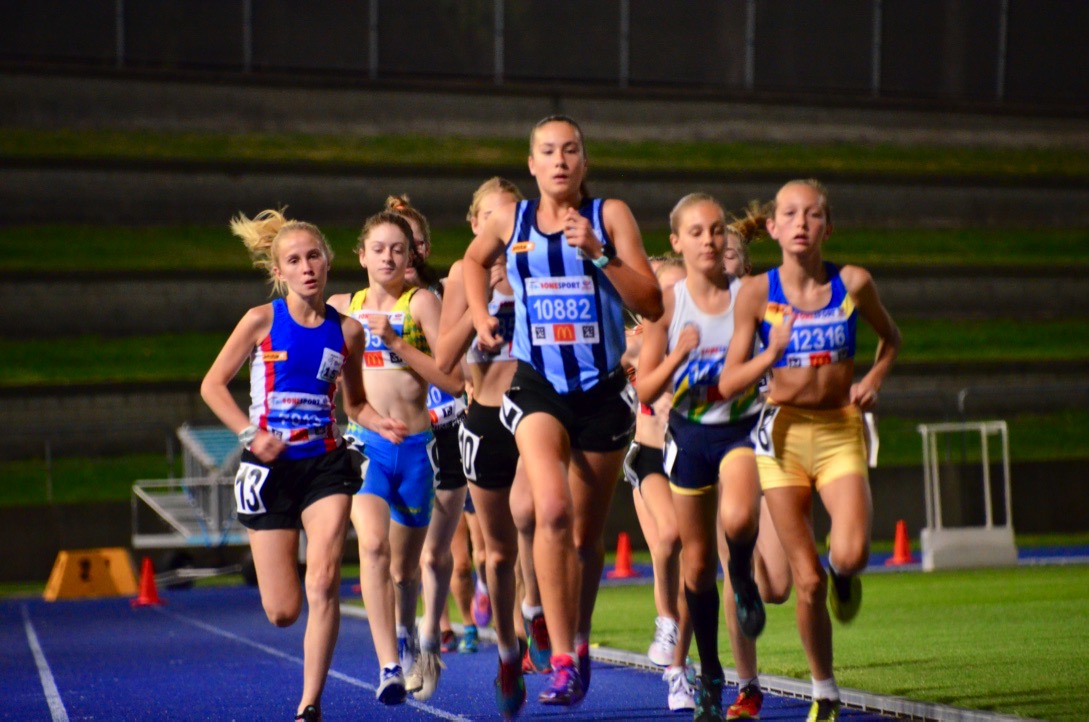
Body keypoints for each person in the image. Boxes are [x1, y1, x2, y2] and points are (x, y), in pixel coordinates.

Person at [462, 116, 664, 706]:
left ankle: (579, 639)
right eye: (547, 151)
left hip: (601, 390)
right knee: (550, 508)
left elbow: (652, 302)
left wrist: (601, 256)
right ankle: (561, 660)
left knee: (584, 536)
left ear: (583, 161)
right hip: (538, 385)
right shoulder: (511, 219)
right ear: (532, 164)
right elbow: (472, 262)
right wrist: (480, 314)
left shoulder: (611, 215)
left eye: (570, 150)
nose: (559, 160)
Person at [201, 209, 404, 722]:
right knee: (283, 611)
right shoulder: (260, 320)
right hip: (269, 469)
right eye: (294, 260)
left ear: (328, 262)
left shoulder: (348, 332)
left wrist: (380, 422)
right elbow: (212, 385)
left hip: (324, 464)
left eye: (313, 256)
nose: (307, 267)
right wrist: (250, 433)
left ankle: (309, 704)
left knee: (324, 579)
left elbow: (355, 404)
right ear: (280, 272)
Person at [719, 179, 901, 722]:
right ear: (773, 228)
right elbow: (731, 376)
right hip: (782, 437)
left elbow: (891, 340)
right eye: (791, 214)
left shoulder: (854, 283)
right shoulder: (756, 293)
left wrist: (873, 379)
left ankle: (846, 577)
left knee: (850, 554)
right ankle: (825, 691)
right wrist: (768, 356)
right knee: (806, 579)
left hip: (839, 430)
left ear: (828, 227)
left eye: (813, 214)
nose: (802, 223)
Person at [635, 193, 773, 721]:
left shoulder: (751, 294)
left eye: (716, 230)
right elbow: (647, 386)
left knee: (737, 521)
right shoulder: (668, 307)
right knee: (694, 567)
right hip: (690, 437)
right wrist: (678, 352)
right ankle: (711, 672)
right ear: (677, 242)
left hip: (739, 429)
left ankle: (742, 575)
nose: (710, 240)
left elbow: (778, 357)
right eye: (696, 232)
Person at [327, 209, 462, 705]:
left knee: (405, 572)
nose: (387, 257)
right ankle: (388, 664)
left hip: (417, 451)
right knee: (373, 547)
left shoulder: (421, 303)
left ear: (410, 258)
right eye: (378, 249)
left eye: (397, 249)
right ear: (361, 255)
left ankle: (408, 638)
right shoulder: (342, 307)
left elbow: (454, 380)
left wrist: (395, 342)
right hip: (366, 446)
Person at [435, 176, 545, 717]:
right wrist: (479, 311)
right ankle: (507, 651)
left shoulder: (537, 265)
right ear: (476, 224)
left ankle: (536, 609)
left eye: (513, 217)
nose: (503, 230)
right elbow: (444, 361)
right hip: (484, 417)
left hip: (535, 410)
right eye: (492, 219)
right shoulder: (462, 274)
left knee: (535, 514)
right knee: (497, 552)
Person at [382, 194, 473, 701]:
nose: (405, 253)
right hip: (400, 440)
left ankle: (431, 643)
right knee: (401, 566)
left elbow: (459, 368)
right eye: (395, 245)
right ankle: (405, 644)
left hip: (448, 433)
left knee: (436, 554)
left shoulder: (442, 297)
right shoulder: (372, 303)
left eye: (413, 243)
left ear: (425, 247)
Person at [621, 256, 697, 712]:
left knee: (692, 567)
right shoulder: (633, 341)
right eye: (664, 291)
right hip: (648, 455)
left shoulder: (701, 335)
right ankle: (667, 621)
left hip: (689, 452)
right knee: (667, 541)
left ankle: (679, 673)